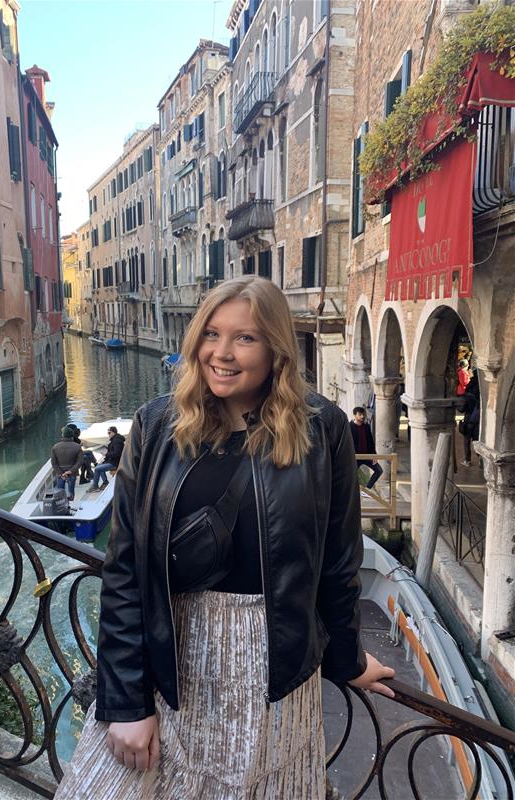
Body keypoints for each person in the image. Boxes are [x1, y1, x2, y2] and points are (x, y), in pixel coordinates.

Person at [54, 276, 394, 800]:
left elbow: (338, 561)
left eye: (245, 338)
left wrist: (346, 659)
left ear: (276, 349)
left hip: (274, 674)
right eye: (212, 334)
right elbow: (125, 569)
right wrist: (126, 702)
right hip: (174, 660)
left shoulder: (321, 426)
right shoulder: (156, 426)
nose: (223, 353)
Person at [349, 407, 383, 490]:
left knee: (379, 470)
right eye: (359, 415)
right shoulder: (349, 427)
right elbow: (347, 443)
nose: (362, 416)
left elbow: (371, 441)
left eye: (363, 414)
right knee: (349, 475)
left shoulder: (366, 426)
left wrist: (374, 455)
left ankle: (367, 489)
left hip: (367, 455)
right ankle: (352, 491)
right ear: (354, 415)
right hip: (355, 456)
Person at [50, 426, 85, 501]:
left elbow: (53, 462)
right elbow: (80, 461)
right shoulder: (77, 446)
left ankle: (59, 504)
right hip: (72, 473)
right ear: (72, 436)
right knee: (71, 491)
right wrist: (71, 471)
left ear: (63, 436)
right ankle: (70, 504)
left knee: (59, 491)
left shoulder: (55, 447)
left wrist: (60, 473)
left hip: (60, 473)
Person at [88, 426, 126, 492]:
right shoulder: (115, 440)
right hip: (112, 461)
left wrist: (106, 454)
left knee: (97, 469)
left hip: (115, 463)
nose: (108, 434)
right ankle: (105, 482)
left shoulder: (117, 441)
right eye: (108, 433)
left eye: (109, 433)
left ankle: (95, 487)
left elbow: (117, 453)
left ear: (113, 433)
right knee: (99, 466)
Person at [460, 372, 480, 467]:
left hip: (469, 419)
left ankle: (467, 460)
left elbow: (462, 409)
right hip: (478, 419)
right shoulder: (481, 392)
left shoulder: (468, 396)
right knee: (476, 440)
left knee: (466, 441)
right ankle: (481, 460)